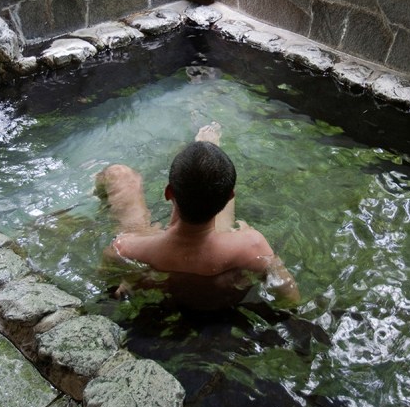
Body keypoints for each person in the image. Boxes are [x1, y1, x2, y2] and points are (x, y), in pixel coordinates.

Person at [97, 123, 300, 310]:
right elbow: (289, 298)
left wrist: (129, 280)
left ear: (168, 193)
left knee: (118, 173)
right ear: (230, 197)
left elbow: (110, 288)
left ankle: (204, 152)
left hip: (152, 253)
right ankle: (209, 148)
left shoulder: (124, 248)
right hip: (219, 257)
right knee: (212, 187)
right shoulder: (251, 246)